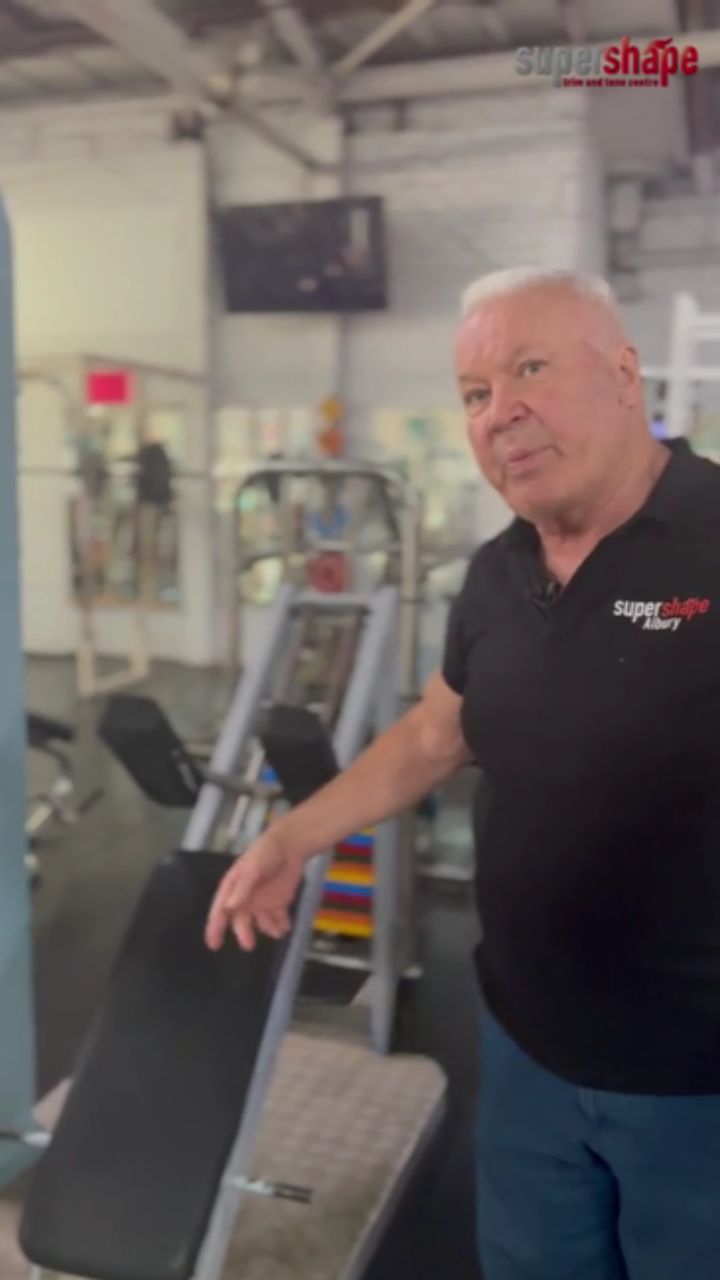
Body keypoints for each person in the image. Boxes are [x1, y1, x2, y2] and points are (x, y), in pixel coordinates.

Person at [205, 266, 720, 1280]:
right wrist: (289, 835)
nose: (501, 413)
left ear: (624, 376)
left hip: (696, 1082)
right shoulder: (495, 572)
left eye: (529, 369)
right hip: (527, 1047)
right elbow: (437, 736)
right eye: (477, 394)